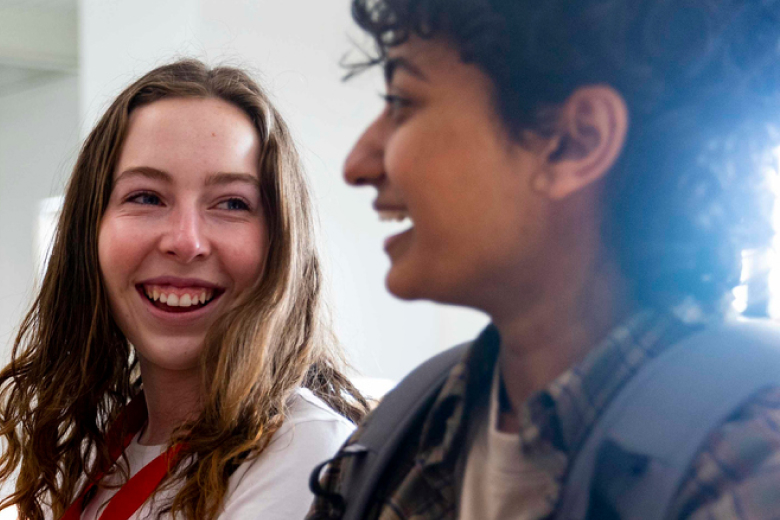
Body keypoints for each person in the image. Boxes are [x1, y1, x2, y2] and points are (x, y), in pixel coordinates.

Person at [308, 0, 780, 518]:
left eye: (403, 102)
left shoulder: (750, 465)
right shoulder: (406, 427)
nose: (358, 163)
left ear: (574, 143)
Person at [0, 60, 368, 520]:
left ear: (281, 242)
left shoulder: (305, 451)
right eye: (146, 197)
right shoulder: (101, 452)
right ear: (89, 231)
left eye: (233, 203)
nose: (185, 241)